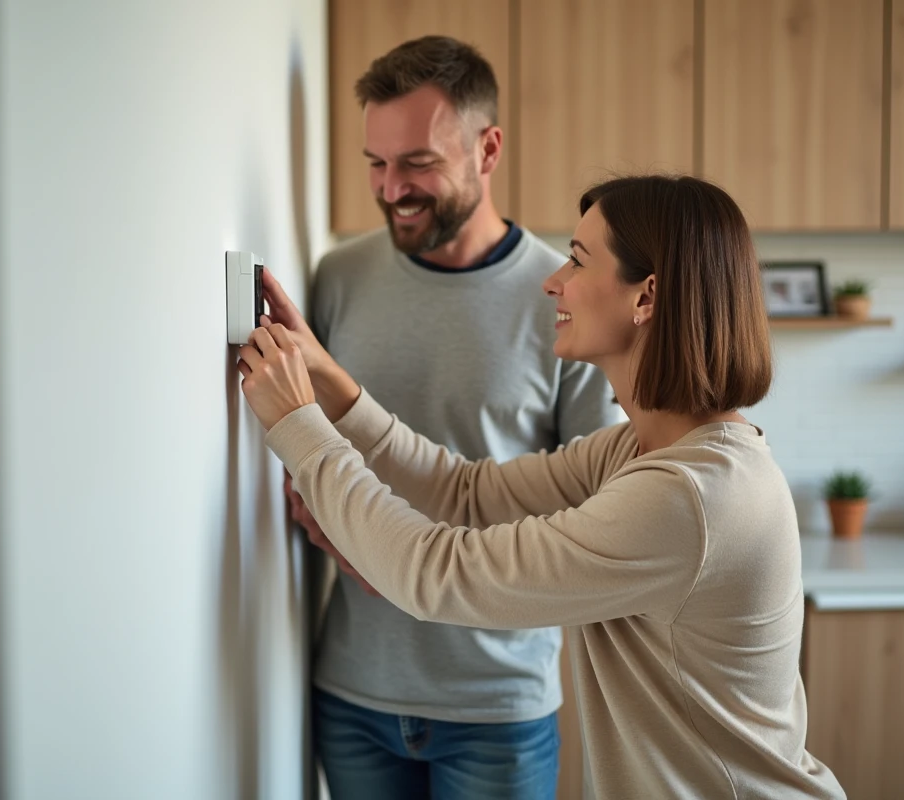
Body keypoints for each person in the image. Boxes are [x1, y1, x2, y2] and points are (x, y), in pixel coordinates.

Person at [239, 174, 847, 799]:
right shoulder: (639, 450)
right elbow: (466, 493)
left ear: (646, 296)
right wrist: (328, 382)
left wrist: (300, 427)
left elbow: (438, 575)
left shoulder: (688, 496)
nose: (553, 281)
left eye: (578, 261)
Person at [290, 35, 617, 800]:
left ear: (488, 148)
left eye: (418, 164)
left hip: (497, 707)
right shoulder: (338, 277)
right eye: (376, 163)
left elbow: (593, 510)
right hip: (354, 693)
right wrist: (316, 516)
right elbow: (312, 459)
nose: (391, 189)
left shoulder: (564, 297)